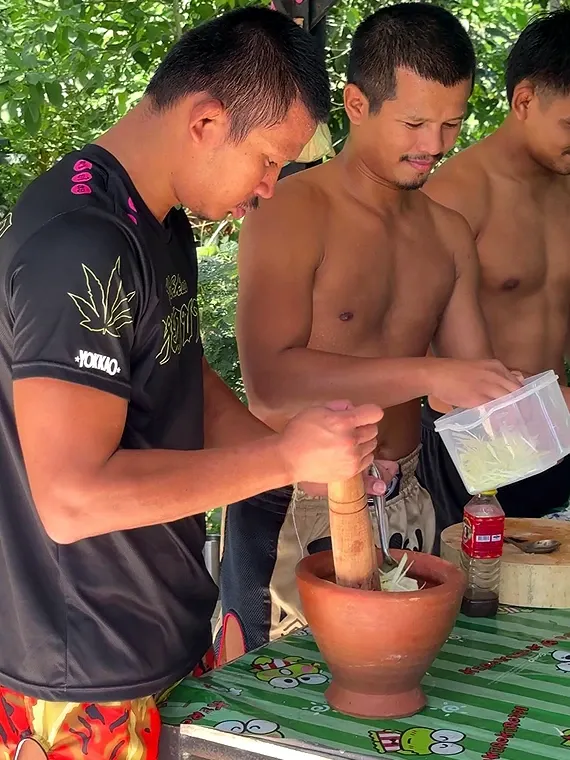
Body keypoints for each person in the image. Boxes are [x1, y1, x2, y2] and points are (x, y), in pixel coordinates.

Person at [0, 8, 389, 760]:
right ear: (208, 120)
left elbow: (186, 373)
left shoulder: (156, 217)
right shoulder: (81, 245)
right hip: (83, 675)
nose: (272, 187)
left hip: (161, 629)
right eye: (270, 160)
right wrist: (281, 460)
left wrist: (295, 458)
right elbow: (72, 498)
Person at [216, 2, 522, 656]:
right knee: (274, 712)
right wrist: (430, 372)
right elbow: (271, 383)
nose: (436, 145)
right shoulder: (292, 207)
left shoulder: (449, 234)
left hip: (409, 497)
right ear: (357, 104)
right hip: (296, 501)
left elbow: (465, 398)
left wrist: (523, 405)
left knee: (397, 680)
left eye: (451, 124)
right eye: (414, 122)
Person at [418, 8, 570, 536]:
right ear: (524, 100)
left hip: (560, 435)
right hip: (475, 450)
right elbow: (406, 342)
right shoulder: (456, 195)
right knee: (477, 607)